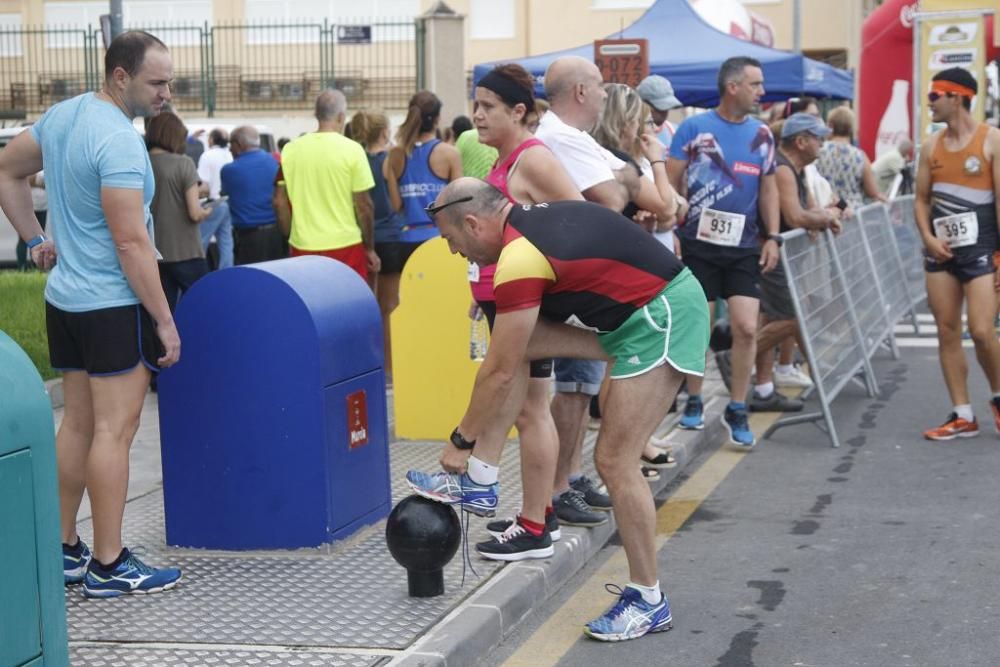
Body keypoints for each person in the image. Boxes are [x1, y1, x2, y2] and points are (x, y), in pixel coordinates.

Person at [407, 179, 709, 641]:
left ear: (472, 222)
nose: (454, 252)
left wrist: (460, 441)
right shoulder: (528, 228)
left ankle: (648, 600)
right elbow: (510, 357)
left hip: (661, 318)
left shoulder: (520, 258)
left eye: (451, 240)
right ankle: (483, 483)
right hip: (633, 322)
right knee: (518, 343)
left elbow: (501, 374)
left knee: (614, 460)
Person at [0, 30, 182, 597]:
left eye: (170, 82)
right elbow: (131, 243)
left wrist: (33, 240)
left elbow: (6, 170)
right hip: (111, 304)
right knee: (115, 430)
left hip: (66, 303)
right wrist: (165, 320)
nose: (166, 93)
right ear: (120, 76)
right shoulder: (120, 142)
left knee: (77, 425)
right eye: (156, 82)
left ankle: (64, 549)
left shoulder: (63, 117)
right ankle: (109, 562)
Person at [459, 63, 587, 560]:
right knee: (529, 413)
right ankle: (540, 515)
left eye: (488, 107)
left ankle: (535, 525)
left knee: (532, 413)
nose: (478, 115)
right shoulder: (504, 162)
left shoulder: (532, 159)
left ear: (519, 111)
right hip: (508, 301)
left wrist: (547, 290)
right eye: (475, 105)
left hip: (527, 307)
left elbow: (578, 219)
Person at [666, 56, 781, 448]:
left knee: (747, 327)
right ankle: (695, 398)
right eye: (756, 84)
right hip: (698, 245)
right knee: (699, 325)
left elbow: (769, 188)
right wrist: (671, 230)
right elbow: (669, 181)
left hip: (743, 246)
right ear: (733, 87)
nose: (761, 92)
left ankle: (736, 406)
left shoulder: (762, 135)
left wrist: (774, 237)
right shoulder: (694, 128)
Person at [914, 68, 1000, 440]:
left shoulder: (991, 140)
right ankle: (962, 413)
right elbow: (920, 199)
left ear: (958, 97)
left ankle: (997, 396)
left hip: (982, 249)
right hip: (941, 251)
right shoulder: (930, 146)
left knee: (981, 331)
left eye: (936, 96)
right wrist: (928, 237)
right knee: (947, 330)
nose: (930, 103)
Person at [752, 113, 846, 411]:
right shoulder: (782, 169)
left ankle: (764, 389)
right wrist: (826, 217)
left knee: (771, 319)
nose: (822, 143)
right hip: (770, 253)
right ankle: (737, 356)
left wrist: (819, 218)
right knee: (792, 318)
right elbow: (795, 216)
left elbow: (805, 213)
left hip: (779, 254)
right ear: (801, 141)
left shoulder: (794, 169)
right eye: (818, 138)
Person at [273, 89, 378, 280]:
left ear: (316, 115)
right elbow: (364, 206)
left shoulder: (290, 150)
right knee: (349, 304)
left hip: (303, 245)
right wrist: (369, 248)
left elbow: (279, 202)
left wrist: (291, 233)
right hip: (346, 245)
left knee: (310, 304)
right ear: (341, 116)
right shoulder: (353, 150)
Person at [350, 109, 405, 371]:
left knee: (368, 305)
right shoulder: (390, 160)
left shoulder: (355, 159)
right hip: (392, 235)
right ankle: (390, 367)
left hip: (365, 237)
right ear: (385, 132)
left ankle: (369, 362)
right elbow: (396, 202)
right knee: (390, 307)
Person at [147, 112, 210, 312]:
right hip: (186, 251)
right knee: (204, 305)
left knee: (165, 313)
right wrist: (207, 211)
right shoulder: (183, 163)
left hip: (154, 252)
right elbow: (194, 213)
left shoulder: (142, 162)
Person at [221, 125, 282, 264]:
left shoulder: (229, 171)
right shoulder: (276, 162)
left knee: (250, 282)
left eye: (231, 144)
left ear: (239, 144)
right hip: (277, 235)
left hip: (248, 238)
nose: (229, 148)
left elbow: (226, 195)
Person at [815, 106, 886, 210]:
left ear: (831, 126)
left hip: (825, 211)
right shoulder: (860, 156)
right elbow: (873, 192)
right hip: (853, 215)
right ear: (851, 128)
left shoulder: (818, 151)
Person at [197, 127, 234, 270]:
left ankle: (197, 275)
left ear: (211, 140)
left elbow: (203, 185)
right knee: (226, 243)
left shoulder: (208, 155)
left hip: (214, 204)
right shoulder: (230, 154)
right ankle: (228, 275)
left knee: (200, 242)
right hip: (227, 202)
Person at [636, 74, 683, 158]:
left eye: (668, 107)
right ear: (642, 104)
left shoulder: (676, 132)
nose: (664, 112)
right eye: (659, 107)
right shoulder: (629, 134)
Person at [15, 169, 46, 270]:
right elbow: (28, 179)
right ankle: (22, 267)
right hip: (25, 206)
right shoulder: (25, 163)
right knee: (24, 238)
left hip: (42, 206)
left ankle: (36, 267)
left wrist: (37, 181)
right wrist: (39, 181)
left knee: (39, 239)